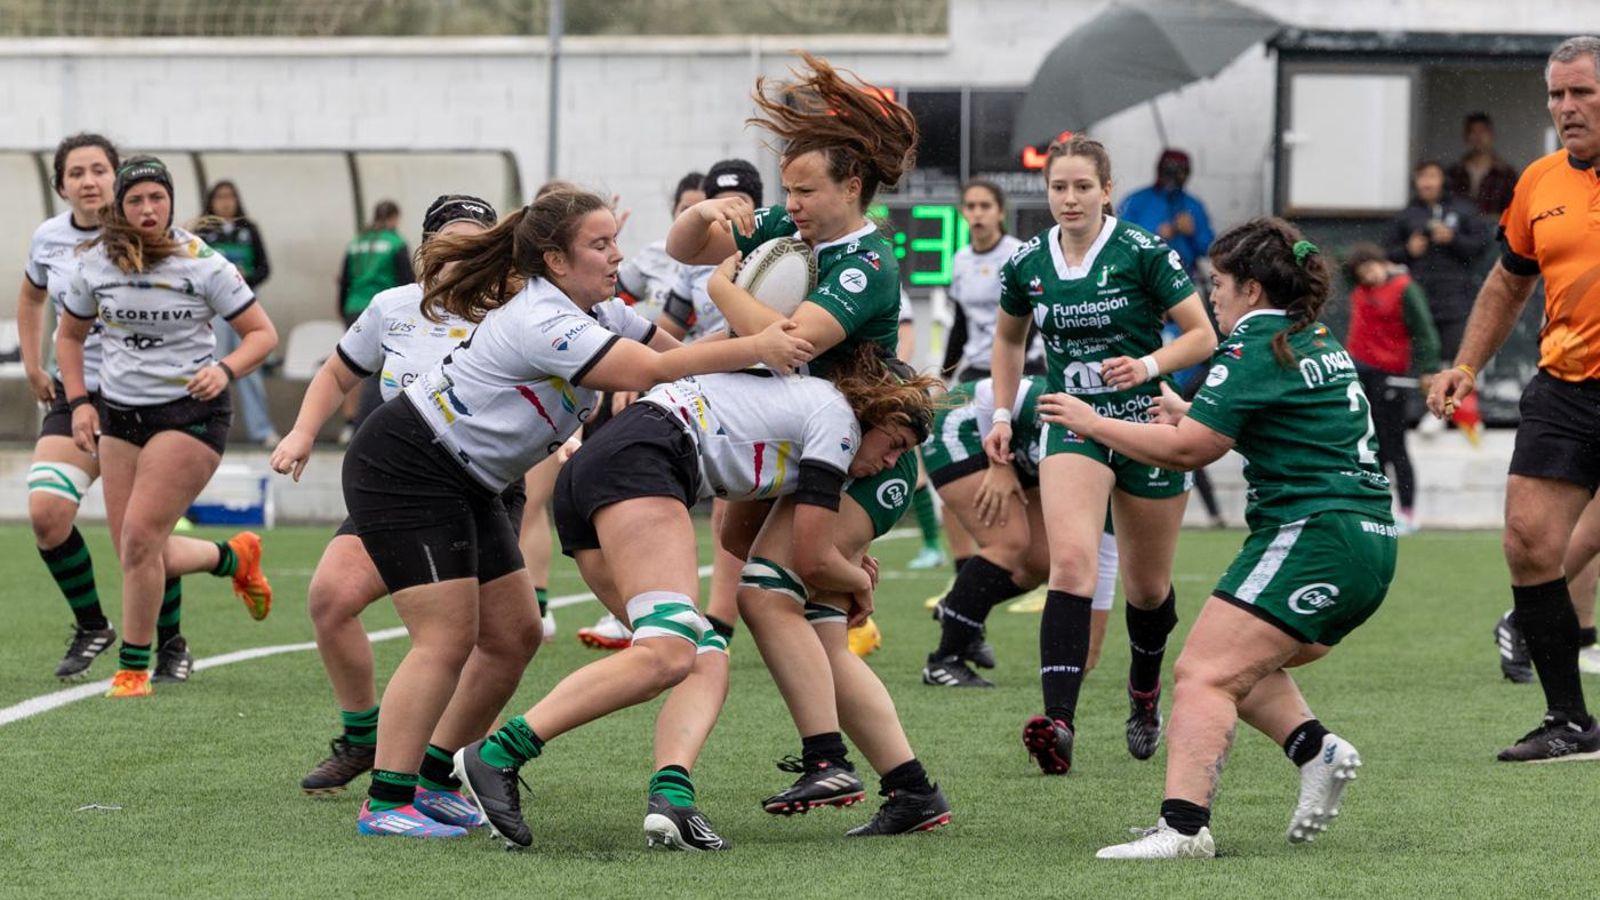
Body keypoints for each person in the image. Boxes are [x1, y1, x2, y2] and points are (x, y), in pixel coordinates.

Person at [338, 185, 810, 838]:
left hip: (462, 476)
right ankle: (387, 801)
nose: (617, 255)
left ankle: (437, 775)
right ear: (556, 261)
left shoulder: (591, 308)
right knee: (444, 637)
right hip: (408, 466)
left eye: (615, 240)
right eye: (600, 244)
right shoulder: (542, 316)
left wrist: (745, 334)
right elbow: (654, 367)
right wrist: (761, 344)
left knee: (515, 634)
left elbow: (671, 347)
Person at [455, 351, 937, 850]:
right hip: (646, 458)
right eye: (894, 444)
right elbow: (811, 560)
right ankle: (497, 754)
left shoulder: (802, 410)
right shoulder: (837, 418)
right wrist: (856, 580)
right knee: (668, 651)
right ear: (874, 412)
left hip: (609, 465)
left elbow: (738, 542)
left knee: (704, 655)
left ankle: (672, 800)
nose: (890, 461)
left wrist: (841, 566)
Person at [1047, 218, 1395, 860]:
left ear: (1253, 289)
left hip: (1315, 532)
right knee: (1241, 666)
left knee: (1202, 672)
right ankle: (1317, 750)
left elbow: (1190, 451)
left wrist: (1093, 423)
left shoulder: (1254, 343)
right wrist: (1190, 411)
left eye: (1219, 283)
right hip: (1363, 539)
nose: (1212, 296)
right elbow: (1257, 419)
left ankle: (1182, 830)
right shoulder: (1308, 335)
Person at [665, 53, 949, 831]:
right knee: (817, 628)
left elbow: (790, 341)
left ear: (850, 187)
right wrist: (712, 213)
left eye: (805, 190)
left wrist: (724, 290)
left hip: (867, 465)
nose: (791, 204)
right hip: (815, 455)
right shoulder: (800, 231)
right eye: (785, 190)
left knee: (761, 590)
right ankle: (913, 790)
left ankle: (827, 760)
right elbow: (683, 246)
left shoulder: (864, 264)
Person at [270, 195, 554, 809]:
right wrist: (300, 432)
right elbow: (337, 374)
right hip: (405, 483)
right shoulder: (392, 307)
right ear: (426, 250)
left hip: (485, 487)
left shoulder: (518, 310)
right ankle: (366, 739)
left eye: (477, 242)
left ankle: (439, 768)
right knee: (331, 598)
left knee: (492, 636)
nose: (463, 254)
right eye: (451, 241)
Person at [986, 135, 1216, 773]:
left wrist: (1147, 364)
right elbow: (1009, 341)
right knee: (1073, 568)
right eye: (1059, 187)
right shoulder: (1027, 263)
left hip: (1144, 423)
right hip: (1072, 424)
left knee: (1148, 589)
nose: (1069, 198)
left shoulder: (1143, 251)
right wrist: (1004, 413)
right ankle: (1058, 722)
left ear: (1107, 190)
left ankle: (1144, 691)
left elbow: (1203, 336)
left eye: (1082, 186)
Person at [20, 135, 270, 682]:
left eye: (99, 170)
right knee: (115, 539)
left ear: (114, 179)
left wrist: (223, 370)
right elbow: (47, 312)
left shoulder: (200, 261)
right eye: (76, 173)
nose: (89, 181)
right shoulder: (64, 248)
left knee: (140, 538)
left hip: (183, 411)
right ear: (61, 185)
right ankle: (226, 561)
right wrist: (57, 383)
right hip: (100, 402)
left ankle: (152, 656)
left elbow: (260, 333)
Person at [1429, 35, 1600, 762]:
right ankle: (1570, 721)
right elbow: (1506, 282)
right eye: (1557, 95)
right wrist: (1466, 364)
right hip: (1565, 386)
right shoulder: (1538, 182)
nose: (1567, 108)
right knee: (1530, 542)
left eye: (1582, 93)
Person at [576, 159, 765, 653]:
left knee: (737, 515)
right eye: (713, 205)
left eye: (738, 203)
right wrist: (638, 373)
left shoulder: (779, 257)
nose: (725, 215)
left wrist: (653, 369)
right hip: (700, 389)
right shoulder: (690, 267)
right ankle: (666, 610)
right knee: (698, 509)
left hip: (756, 395)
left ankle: (719, 617)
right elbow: (672, 333)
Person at [919, 375, 1120, 687]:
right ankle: (944, 661)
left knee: (1041, 561)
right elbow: (989, 393)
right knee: (1008, 543)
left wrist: (1090, 650)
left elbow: (1105, 551)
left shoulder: (1115, 459)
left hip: (1016, 454)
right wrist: (999, 465)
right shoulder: (1064, 409)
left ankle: (957, 606)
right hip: (966, 427)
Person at [1344, 243, 1441, 533]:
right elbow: (1339, 260)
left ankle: (1408, 511)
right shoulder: (1359, 286)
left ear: (1383, 262)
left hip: (1389, 375)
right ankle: (1375, 508)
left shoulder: (1404, 288)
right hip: (1361, 374)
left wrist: (1428, 369)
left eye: (1371, 269)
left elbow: (1424, 331)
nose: (1368, 277)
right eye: (1362, 272)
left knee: (1394, 445)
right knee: (1366, 447)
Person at [196, 180, 277, 447]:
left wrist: (246, 278)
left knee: (250, 367)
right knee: (212, 363)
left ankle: (261, 430)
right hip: (213, 309)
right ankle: (205, 426)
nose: (225, 202)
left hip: (245, 306)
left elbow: (265, 267)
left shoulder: (249, 229)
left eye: (230, 196)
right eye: (220, 197)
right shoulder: (202, 230)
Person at [1384, 160, 1488, 364]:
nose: (1427, 183)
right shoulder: (1407, 215)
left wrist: (1453, 239)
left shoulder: (1463, 210)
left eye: (1432, 176)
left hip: (1456, 300)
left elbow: (1481, 246)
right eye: (1422, 177)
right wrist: (1409, 250)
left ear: (1443, 180)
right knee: (1423, 363)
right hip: (1418, 300)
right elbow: (1386, 254)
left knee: (1456, 361)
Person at [336, 200, 413, 443]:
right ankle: (370, 425)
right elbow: (406, 279)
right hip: (384, 310)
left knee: (352, 365)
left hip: (354, 307)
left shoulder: (356, 242)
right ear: (394, 217)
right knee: (380, 371)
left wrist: (343, 309)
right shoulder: (396, 243)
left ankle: (350, 423)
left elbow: (344, 279)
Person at [615, 171, 703, 324]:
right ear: (673, 211)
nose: (692, 218)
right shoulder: (655, 254)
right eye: (686, 210)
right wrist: (603, 242)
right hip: (658, 347)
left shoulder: (729, 259)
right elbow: (607, 295)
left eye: (701, 210)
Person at [1117, 149, 1215, 278]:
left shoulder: (1193, 206)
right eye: (1169, 172)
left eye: (1181, 171)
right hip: (1141, 277)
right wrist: (1154, 236)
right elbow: (1118, 241)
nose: (1174, 178)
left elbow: (1209, 249)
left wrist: (1193, 233)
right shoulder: (1136, 201)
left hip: (1184, 279)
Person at [1446, 112, 1520, 218]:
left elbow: (1513, 210)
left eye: (1482, 131)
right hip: (1461, 232)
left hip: (1494, 230)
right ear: (1466, 136)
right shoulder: (1454, 172)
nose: (1478, 136)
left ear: (1491, 135)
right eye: (1473, 131)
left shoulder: (1506, 174)